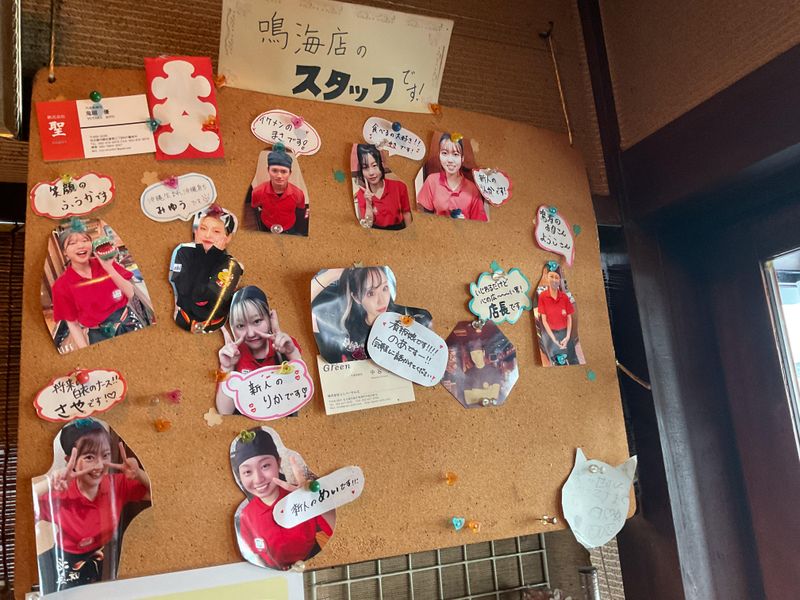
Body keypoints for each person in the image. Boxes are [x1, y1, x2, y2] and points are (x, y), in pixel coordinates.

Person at [33, 418, 151, 593]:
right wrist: (49, 483)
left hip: (103, 555)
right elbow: (21, 511)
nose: (99, 465)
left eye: (105, 455)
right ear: (70, 460)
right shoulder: (60, 494)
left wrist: (138, 473)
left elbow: (156, 494)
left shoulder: (116, 484)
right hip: (65, 559)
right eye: (89, 457)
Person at [231, 428, 335, 570]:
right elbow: (253, 554)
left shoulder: (300, 497)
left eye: (265, 466)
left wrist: (313, 499)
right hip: (272, 571)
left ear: (278, 463)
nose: (258, 479)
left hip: (312, 561)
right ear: (240, 476)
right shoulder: (246, 516)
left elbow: (334, 528)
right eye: (247, 472)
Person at [311, 267, 432, 363]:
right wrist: (335, 273)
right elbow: (309, 302)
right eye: (370, 293)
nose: (381, 300)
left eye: (385, 288)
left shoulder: (408, 319)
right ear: (356, 297)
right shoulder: (344, 328)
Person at [216, 286, 302, 415]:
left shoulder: (286, 344)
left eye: (257, 321)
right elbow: (225, 412)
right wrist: (226, 368)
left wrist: (291, 353)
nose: (250, 333)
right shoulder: (232, 354)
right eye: (240, 326)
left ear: (269, 318)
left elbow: (301, 394)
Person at [169, 204, 244, 333]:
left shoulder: (231, 265)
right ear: (196, 231)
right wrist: (203, 255)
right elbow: (183, 289)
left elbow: (200, 296)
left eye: (216, 231)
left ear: (228, 237)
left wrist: (211, 256)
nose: (208, 235)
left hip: (213, 325)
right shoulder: (183, 252)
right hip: (183, 319)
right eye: (203, 228)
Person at [415, 132, 487, 221]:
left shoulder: (472, 189)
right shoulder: (431, 180)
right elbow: (421, 211)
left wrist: (465, 223)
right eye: (444, 153)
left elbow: (480, 223)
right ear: (439, 155)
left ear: (462, 158)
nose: (450, 160)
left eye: (455, 154)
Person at [353, 144, 412, 230]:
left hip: (398, 231)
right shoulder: (361, 194)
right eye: (365, 167)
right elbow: (367, 225)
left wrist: (410, 234)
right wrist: (368, 204)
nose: (371, 173)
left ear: (381, 164)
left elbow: (406, 213)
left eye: (374, 165)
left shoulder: (400, 187)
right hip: (376, 234)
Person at [250, 149, 308, 235]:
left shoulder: (298, 194)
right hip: (266, 225)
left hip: (289, 226)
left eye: (284, 171)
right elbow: (255, 205)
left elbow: (300, 208)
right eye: (274, 170)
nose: (279, 176)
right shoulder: (257, 192)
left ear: (290, 173)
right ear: (268, 170)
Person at [536, 269, 578, 365]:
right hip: (550, 334)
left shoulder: (564, 297)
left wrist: (567, 336)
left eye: (557, 277)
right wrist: (554, 339)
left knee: (573, 359)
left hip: (565, 332)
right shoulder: (542, 296)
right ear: (547, 278)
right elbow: (544, 321)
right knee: (556, 361)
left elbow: (569, 318)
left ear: (559, 280)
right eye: (551, 276)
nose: (554, 280)